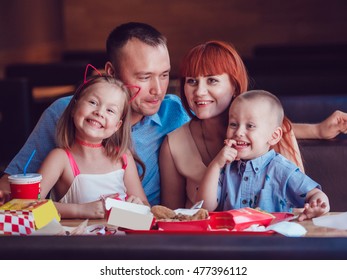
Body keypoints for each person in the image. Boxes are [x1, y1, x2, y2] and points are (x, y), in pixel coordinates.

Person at [0, 22, 190, 206]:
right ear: (111, 73)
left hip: (144, 230)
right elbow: (13, 185)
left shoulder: (176, 113)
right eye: (145, 77)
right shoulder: (65, 112)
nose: (158, 89)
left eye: (164, 75)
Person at [159, 40, 347, 209]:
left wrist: (318, 130)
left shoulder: (274, 135)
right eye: (191, 81)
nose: (199, 91)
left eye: (212, 80)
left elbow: (299, 204)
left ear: (234, 85)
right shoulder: (173, 145)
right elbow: (172, 215)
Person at [196, 90, 330, 221]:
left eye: (250, 126)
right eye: (233, 124)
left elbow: (315, 194)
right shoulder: (225, 167)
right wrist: (215, 165)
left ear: (274, 136)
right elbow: (205, 207)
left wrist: (317, 206)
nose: (239, 132)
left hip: (271, 240)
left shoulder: (282, 169)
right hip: (231, 241)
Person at [38, 69, 148, 218]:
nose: (99, 112)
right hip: (77, 240)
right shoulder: (60, 159)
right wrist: (80, 210)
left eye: (110, 110)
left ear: (117, 125)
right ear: (74, 108)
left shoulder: (122, 157)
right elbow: (30, 207)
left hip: (121, 241)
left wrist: (138, 205)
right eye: (93, 102)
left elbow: (146, 209)